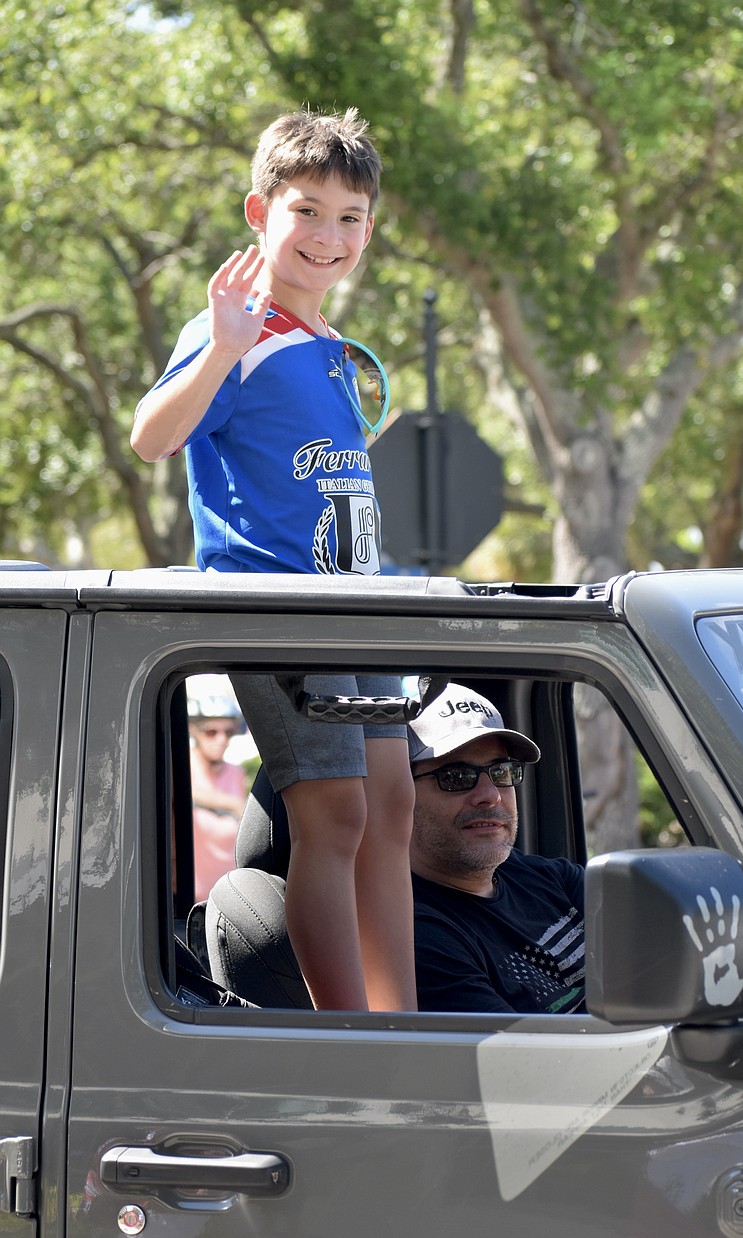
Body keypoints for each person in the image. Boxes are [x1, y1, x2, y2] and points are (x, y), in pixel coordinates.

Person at [131, 108, 416, 1013]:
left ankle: (403, 1022)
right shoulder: (234, 331)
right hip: (281, 607)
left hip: (356, 607)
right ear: (260, 213)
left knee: (392, 805)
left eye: (350, 218)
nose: (329, 235)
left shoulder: (329, 346)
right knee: (334, 812)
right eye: (307, 211)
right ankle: (352, 1035)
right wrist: (220, 345)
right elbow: (150, 438)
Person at [407, 684, 585, 1014]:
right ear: (399, 793)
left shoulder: (554, 879)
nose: (491, 794)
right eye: (456, 775)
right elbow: (524, 1061)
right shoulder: (419, 935)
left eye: (501, 771)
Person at [187, 682, 248, 903]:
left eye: (228, 732)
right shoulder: (181, 764)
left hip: (225, 898)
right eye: (211, 731)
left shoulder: (235, 771)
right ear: (194, 730)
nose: (221, 740)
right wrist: (231, 803)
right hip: (189, 896)